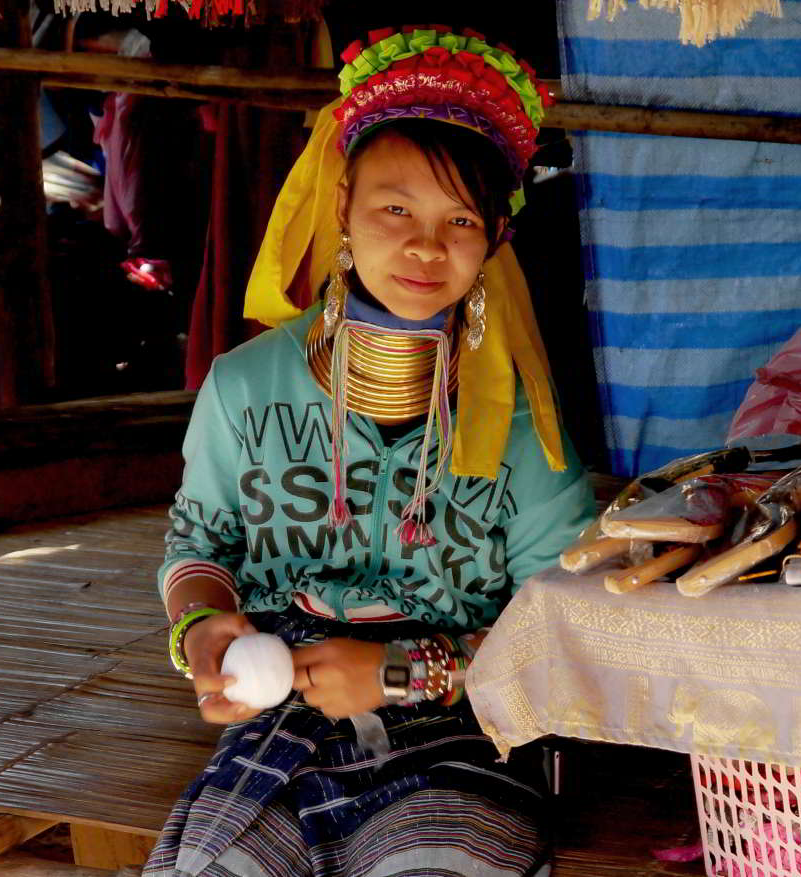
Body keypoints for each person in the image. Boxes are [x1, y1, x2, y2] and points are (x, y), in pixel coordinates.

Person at [146, 25, 595, 877]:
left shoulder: (523, 423)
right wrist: (202, 625)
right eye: (396, 209)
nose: (426, 246)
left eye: (460, 219)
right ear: (342, 203)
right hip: (281, 727)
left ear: (497, 235)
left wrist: (400, 673)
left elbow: (565, 627)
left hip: (466, 732)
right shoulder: (245, 387)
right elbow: (201, 541)